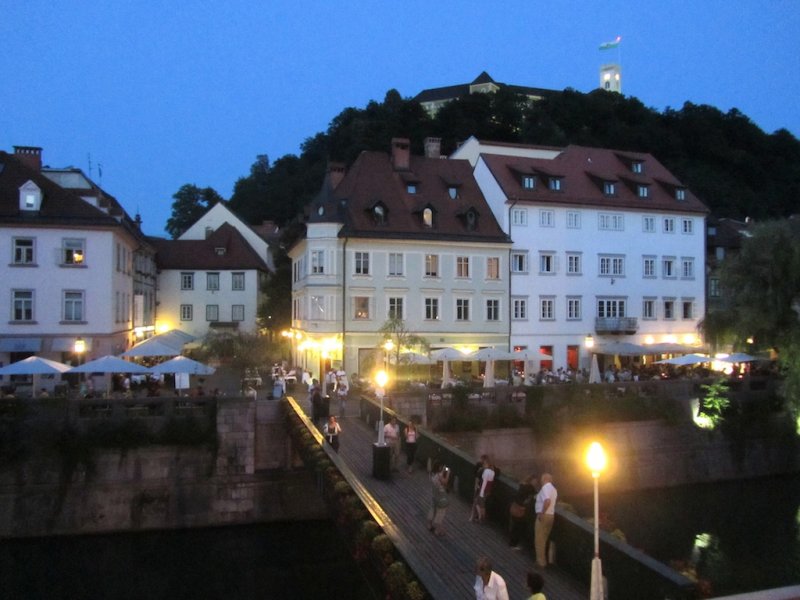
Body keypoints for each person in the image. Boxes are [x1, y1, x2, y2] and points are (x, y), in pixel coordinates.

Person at [534, 473, 558, 568]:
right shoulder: (554, 489)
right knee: (545, 537)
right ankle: (543, 560)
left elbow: (547, 501)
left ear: (544, 479)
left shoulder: (545, 488)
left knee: (539, 539)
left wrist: (541, 513)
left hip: (544, 515)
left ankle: (541, 562)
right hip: (551, 515)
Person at [509, 474, 538, 549]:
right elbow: (535, 495)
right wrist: (523, 506)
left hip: (514, 507)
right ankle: (514, 544)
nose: (536, 483)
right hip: (520, 510)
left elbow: (517, 496)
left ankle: (512, 543)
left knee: (514, 526)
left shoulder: (522, 485)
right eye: (535, 481)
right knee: (519, 527)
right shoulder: (530, 488)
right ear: (532, 481)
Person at [427, 461, 450, 537]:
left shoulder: (432, 474)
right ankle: (437, 530)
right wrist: (448, 473)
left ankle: (429, 525)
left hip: (434, 495)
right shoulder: (439, 476)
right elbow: (445, 482)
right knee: (440, 513)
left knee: (432, 510)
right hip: (441, 497)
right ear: (439, 467)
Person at [471, 455, 495, 523]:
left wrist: (481, 492)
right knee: (482, 504)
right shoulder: (492, 472)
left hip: (483, 490)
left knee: (478, 503)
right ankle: (481, 517)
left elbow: (484, 482)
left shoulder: (486, 471)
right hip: (487, 491)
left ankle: (481, 517)